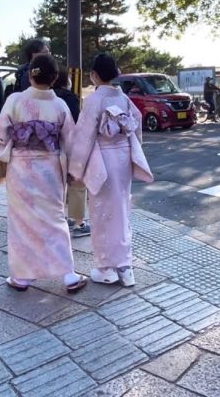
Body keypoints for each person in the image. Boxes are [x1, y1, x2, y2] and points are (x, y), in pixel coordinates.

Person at [0, 55, 89, 294]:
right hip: (50, 169)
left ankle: (22, 277)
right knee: (54, 219)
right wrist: (74, 172)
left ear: (31, 74)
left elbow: (0, 133)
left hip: (20, 169)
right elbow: (71, 143)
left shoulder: (15, 100)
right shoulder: (60, 105)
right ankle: (69, 275)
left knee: (22, 222)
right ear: (54, 78)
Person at [69, 53, 153, 286]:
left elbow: (83, 136)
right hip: (123, 157)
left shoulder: (94, 101)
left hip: (102, 161)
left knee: (102, 213)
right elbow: (135, 129)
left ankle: (107, 268)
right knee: (121, 210)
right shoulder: (124, 99)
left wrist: (76, 168)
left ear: (94, 75)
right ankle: (125, 268)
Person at [52, 71, 91, 238]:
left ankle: (63, 217)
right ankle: (79, 223)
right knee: (77, 184)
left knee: (59, 184)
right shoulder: (70, 98)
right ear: (65, 80)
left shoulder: (49, 97)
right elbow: (77, 122)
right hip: (71, 145)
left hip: (51, 148)